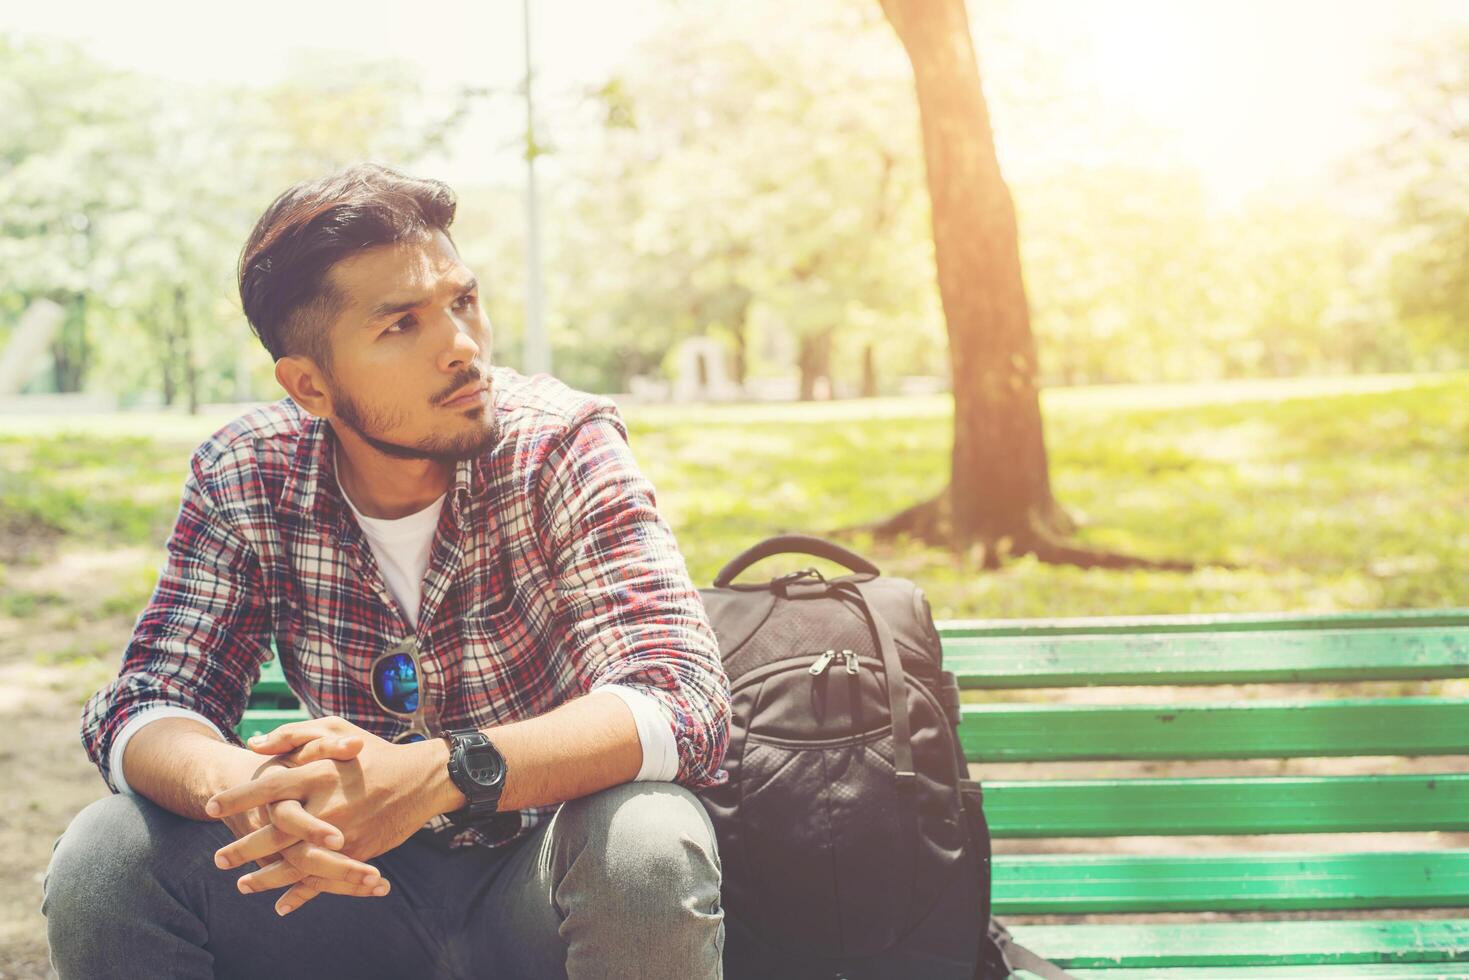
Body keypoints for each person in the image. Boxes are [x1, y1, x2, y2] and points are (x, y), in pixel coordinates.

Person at [40, 163, 732, 979]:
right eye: (401, 325)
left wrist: (441, 772)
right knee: (105, 854)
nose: (463, 347)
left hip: (545, 875)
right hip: (334, 887)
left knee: (647, 840)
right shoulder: (247, 474)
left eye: (461, 301)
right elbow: (146, 701)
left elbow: (681, 698)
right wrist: (251, 786)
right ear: (310, 385)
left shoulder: (562, 445)